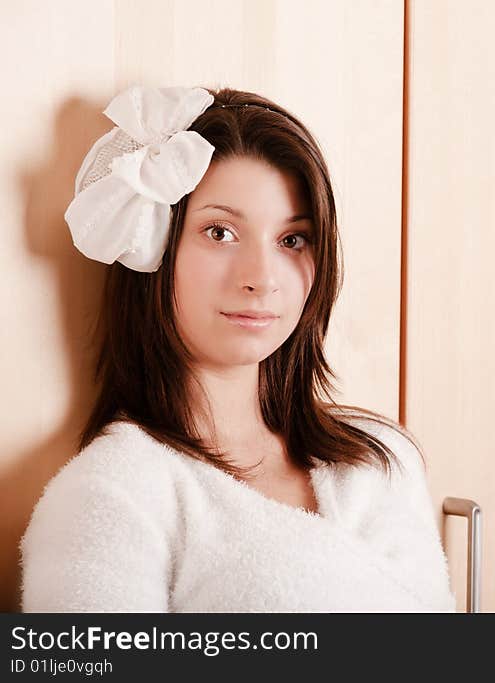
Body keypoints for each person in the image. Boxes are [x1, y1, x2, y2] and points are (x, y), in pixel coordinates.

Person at [18, 85, 457, 612]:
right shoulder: (111, 494)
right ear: (153, 250)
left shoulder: (382, 459)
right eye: (220, 232)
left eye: (292, 239)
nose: (262, 278)